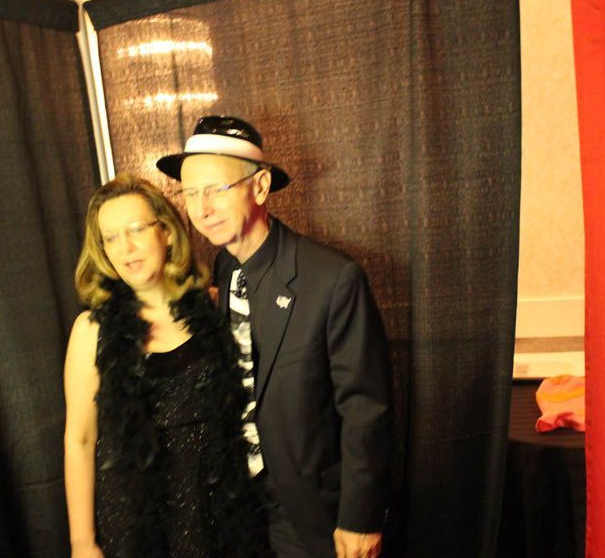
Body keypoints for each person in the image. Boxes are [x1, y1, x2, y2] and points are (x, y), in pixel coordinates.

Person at [156, 116, 393, 558]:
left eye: (216, 189)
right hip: (239, 507)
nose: (201, 208)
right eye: (190, 193)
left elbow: (366, 409)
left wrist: (360, 517)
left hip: (308, 511)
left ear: (260, 187)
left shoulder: (332, 279)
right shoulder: (223, 270)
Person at [63, 174, 269, 558]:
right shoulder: (92, 330)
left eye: (137, 229)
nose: (126, 247)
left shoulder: (215, 305)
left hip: (217, 512)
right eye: (111, 238)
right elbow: (80, 440)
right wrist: (82, 543)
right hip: (136, 522)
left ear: (167, 233)